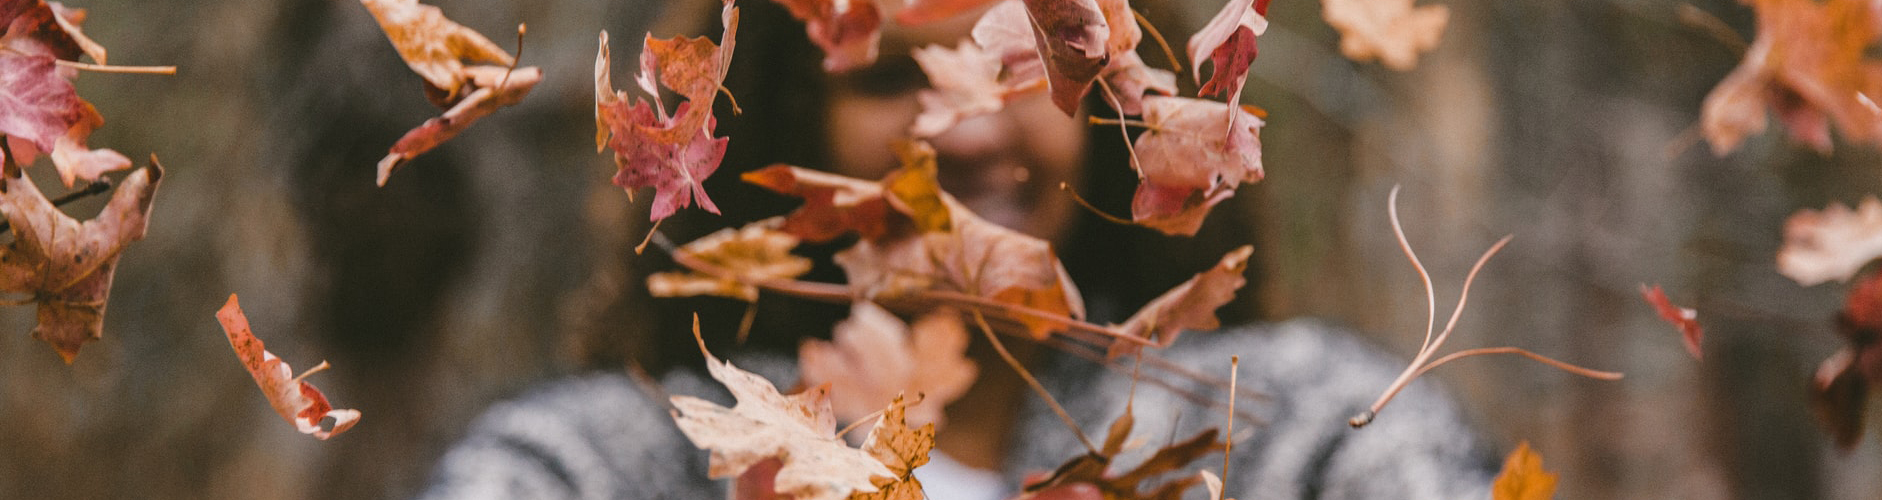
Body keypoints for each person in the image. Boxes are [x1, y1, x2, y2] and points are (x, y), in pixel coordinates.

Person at [413, 2, 1497, 499]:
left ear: (1113, 106)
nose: (971, 130)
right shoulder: (620, 464)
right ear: (797, 125)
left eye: (1018, 75)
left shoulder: (1290, 434)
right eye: (894, 79)